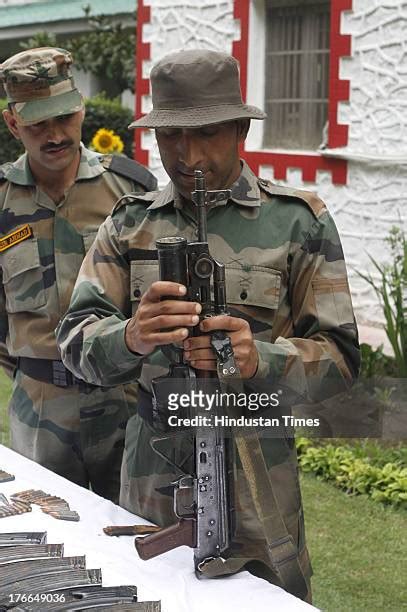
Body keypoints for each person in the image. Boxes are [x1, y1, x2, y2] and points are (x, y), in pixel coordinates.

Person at [57, 49, 359, 599]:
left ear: (241, 128)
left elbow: (341, 361)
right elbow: (75, 342)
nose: (187, 154)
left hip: (258, 473)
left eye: (207, 133)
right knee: (149, 597)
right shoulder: (129, 225)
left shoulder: (299, 221)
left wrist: (261, 359)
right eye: (169, 136)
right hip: (153, 472)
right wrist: (130, 335)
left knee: (265, 600)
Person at [0, 47, 157, 503]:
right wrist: (36, 369)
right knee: (47, 536)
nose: (55, 135)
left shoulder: (132, 191)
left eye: (65, 117)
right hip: (40, 404)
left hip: (123, 399)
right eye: (38, 124)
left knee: (134, 534)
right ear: (13, 124)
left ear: (81, 108)